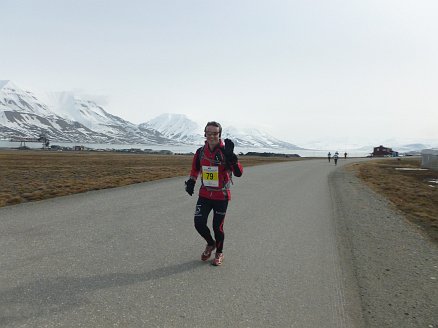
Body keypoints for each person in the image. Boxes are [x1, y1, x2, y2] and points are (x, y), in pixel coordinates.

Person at [184, 121, 243, 266]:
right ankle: (211, 244)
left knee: (218, 227)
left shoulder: (225, 152)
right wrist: (191, 181)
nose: (211, 136)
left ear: (219, 135)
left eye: (215, 133)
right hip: (204, 194)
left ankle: (219, 252)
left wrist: (232, 159)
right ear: (205, 134)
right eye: (208, 133)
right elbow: (195, 169)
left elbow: (239, 173)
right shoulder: (200, 152)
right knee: (199, 223)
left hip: (221, 196)